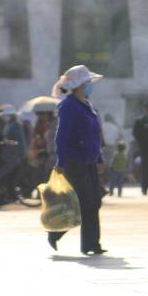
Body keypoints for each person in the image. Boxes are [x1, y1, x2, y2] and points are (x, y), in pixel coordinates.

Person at [47, 65, 106, 254]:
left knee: (94, 201)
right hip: (75, 160)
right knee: (84, 202)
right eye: (87, 82)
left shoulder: (88, 106)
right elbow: (62, 136)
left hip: (89, 160)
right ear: (79, 85)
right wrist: (61, 161)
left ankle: (92, 244)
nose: (90, 85)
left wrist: (99, 158)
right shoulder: (69, 106)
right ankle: (56, 232)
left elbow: (94, 135)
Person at [0, 105, 27, 202]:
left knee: (11, 177)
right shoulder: (10, 124)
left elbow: (9, 138)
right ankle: (11, 196)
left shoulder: (14, 125)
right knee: (10, 177)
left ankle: (12, 197)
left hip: (15, 155)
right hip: (12, 155)